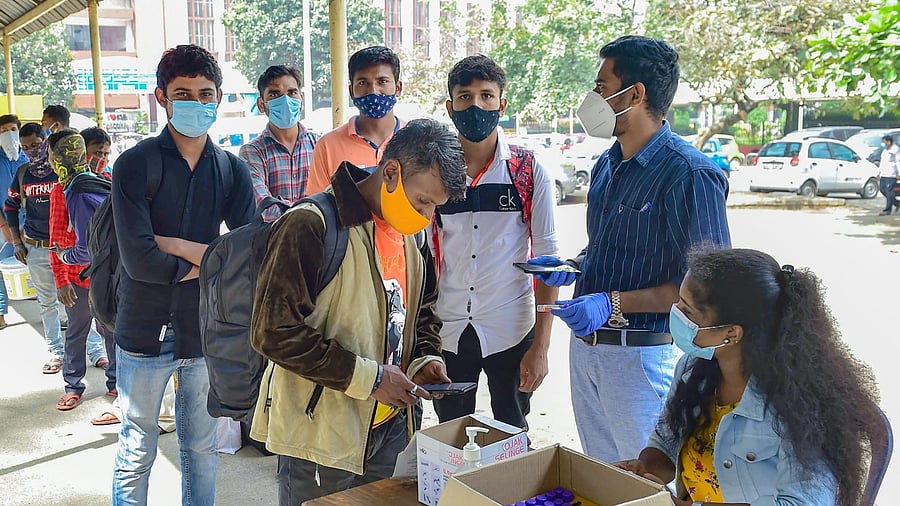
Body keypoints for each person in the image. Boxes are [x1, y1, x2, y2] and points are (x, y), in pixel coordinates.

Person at [527, 35, 731, 463]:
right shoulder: (607, 163)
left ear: (634, 94)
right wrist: (572, 268)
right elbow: (606, 246)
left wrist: (613, 302)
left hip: (641, 358)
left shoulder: (689, 174)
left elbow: (707, 290)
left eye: (601, 87)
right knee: (605, 476)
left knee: (648, 480)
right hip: (588, 352)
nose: (593, 97)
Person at [249, 118, 467, 504]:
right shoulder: (310, 224)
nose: (428, 215)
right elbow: (273, 332)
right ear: (390, 171)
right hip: (319, 434)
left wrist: (423, 359)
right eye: (423, 201)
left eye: (435, 206)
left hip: (390, 426)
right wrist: (369, 378)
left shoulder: (411, 233)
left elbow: (422, 311)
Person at [615, 247, 883, 505]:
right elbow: (666, 440)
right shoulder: (692, 368)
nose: (675, 314)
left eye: (687, 311)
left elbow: (804, 502)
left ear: (731, 334)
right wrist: (644, 470)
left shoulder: (799, 406)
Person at [110, 44, 255, 505]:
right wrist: (212, 258)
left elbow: (246, 256)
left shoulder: (231, 170)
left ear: (218, 97)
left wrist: (173, 244)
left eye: (205, 93)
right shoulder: (136, 164)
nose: (196, 103)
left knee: (200, 447)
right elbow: (139, 261)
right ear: (161, 98)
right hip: (143, 326)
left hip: (203, 329)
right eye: (183, 94)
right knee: (138, 447)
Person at [428, 55, 559, 430]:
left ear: (502, 104)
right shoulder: (434, 171)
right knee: (450, 435)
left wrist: (542, 348)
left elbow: (548, 263)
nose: (476, 106)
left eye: (486, 96)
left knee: (513, 435)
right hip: (448, 329)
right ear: (450, 107)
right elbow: (418, 257)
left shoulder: (527, 170)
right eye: (465, 97)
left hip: (512, 328)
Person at [47, 129, 115, 411]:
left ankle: (116, 383)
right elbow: (57, 236)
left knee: (110, 330)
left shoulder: (105, 182)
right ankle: (73, 385)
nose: (100, 158)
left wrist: (65, 258)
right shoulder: (62, 192)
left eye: (104, 153)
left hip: (104, 276)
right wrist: (61, 280)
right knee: (77, 330)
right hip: (77, 279)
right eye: (94, 152)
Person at [4, 122, 77, 374]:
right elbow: (10, 207)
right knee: (47, 303)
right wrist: (16, 242)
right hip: (36, 248)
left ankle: (94, 350)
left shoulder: (61, 171)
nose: (31, 151)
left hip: (66, 250)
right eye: (25, 148)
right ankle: (56, 352)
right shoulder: (23, 173)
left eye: (35, 145)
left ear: (45, 141)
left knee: (76, 302)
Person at [307, 46, 404, 193]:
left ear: (398, 88)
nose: (373, 91)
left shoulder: (417, 141)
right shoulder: (327, 146)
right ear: (351, 91)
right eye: (363, 83)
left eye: (382, 81)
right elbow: (319, 207)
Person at [239, 65, 319, 221]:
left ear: (301, 99)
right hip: (274, 242)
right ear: (261, 105)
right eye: (275, 94)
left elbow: (332, 199)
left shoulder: (320, 145)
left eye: (292, 92)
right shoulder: (252, 152)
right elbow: (264, 207)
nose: (285, 100)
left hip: (321, 242)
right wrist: (313, 214)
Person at [0, 114, 30, 329]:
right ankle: (1, 312)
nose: (8, 134)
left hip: (30, 223)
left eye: (12, 129)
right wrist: (5, 227)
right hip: (2, 222)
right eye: (2, 131)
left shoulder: (28, 158)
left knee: (35, 262)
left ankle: (35, 295)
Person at [877, 135, 899, 216]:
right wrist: (879, 173)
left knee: (889, 192)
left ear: (889, 141)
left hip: (891, 173)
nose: (883, 143)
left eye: (884, 141)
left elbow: (898, 161)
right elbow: (882, 162)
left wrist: (899, 173)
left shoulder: (895, 150)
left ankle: (887, 210)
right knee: (882, 189)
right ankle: (897, 203)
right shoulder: (885, 150)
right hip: (884, 173)